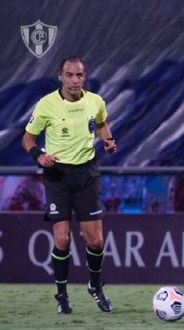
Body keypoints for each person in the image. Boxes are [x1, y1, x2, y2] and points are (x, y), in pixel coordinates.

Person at [21, 57, 116, 314]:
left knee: (95, 240)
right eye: (70, 75)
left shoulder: (95, 101)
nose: (75, 80)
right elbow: (28, 138)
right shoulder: (46, 105)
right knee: (62, 239)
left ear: (84, 77)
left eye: (79, 75)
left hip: (86, 174)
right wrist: (39, 157)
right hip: (57, 176)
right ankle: (61, 295)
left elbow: (101, 124)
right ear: (60, 77)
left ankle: (95, 286)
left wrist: (108, 140)